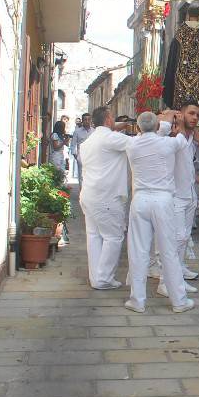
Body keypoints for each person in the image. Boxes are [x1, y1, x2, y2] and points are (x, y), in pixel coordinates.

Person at [122, 111, 194, 313]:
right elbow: (181, 135)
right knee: (169, 251)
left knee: (138, 251)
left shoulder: (132, 145)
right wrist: (175, 120)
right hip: (163, 200)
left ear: (137, 128)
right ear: (156, 127)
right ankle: (179, 301)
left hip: (141, 200)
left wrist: (158, 123)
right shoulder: (169, 143)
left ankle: (137, 300)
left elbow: (149, 130)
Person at [158, 101, 199, 298]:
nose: (195, 117)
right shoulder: (171, 135)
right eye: (191, 113)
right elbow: (161, 120)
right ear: (181, 114)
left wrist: (189, 128)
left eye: (197, 114)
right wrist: (173, 115)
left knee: (184, 238)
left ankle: (177, 278)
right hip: (175, 197)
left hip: (189, 195)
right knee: (175, 240)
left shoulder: (191, 136)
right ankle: (165, 281)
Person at [77, 107, 129, 290]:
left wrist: (121, 126)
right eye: (112, 117)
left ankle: (97, 278)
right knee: (113, 237)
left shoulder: (88, 142)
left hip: (89, 195)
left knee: (94, 236)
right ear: (108, 119)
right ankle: (104, 278)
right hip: (107, 197)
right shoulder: (110, 138)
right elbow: (138, 144)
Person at [162, 3, 199, 109]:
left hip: (181, 73)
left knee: (180, 98)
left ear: (188, 15)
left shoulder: (181, 30)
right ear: (198, 15)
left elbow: (173, 52)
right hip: (196, 73)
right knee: (194, 95)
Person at [70, 113, 94, 181]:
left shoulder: (94, 131)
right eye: (85, 119)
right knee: (81, 176)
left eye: (88, 119)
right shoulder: (77, 132)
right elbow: (73, 145)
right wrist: (76, 156)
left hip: (92, 156)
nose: (87, 121)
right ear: (82, 121)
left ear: (91, 120)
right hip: (81, 156)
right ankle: (82, 191)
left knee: (91, 176)